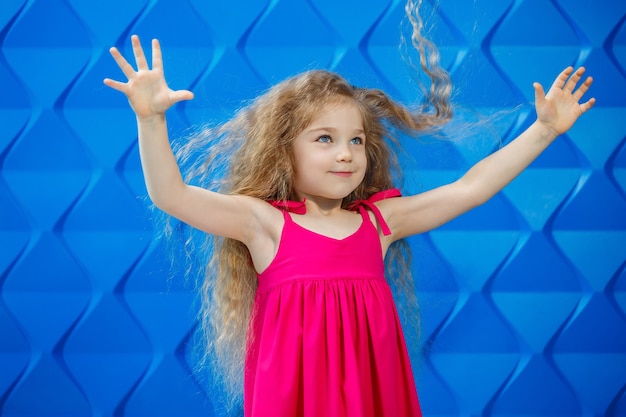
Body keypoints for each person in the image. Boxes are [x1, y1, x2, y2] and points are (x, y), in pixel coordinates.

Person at [103, 9, 595, 416]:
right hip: (292, 397)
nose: (346, 154)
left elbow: (472, 188)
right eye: (325, 139)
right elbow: (171, 195)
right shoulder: (264, 224)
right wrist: (151, 119)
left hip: (373, 393)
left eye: (356, 141)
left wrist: (544, 131)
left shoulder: (379, 224)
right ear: (282, 152)